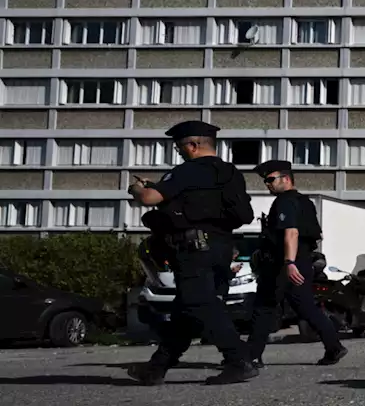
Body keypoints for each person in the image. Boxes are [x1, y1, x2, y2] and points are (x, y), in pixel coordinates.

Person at [126, 121, 258, 386]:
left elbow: (151, 198)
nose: (179, 152)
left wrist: (138, 190)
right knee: (186, 312)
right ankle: (156, 368)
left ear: (193, 145)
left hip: (194, 249)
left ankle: (239, 360)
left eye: (179, 147)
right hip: (222, 248)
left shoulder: (188, 171)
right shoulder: (231, 173)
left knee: (201, 304)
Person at [245, 160, 347, 368]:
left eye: (271, 179)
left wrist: (289, 262)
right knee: (307, 308)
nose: (267, 184)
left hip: (283, 264)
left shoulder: (285, 201)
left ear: (286, 179)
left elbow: (291, 231)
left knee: (264, 308)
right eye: (266, 181)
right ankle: (334, 346)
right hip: (300, 261)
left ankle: (252, 356)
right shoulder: (305, 202)